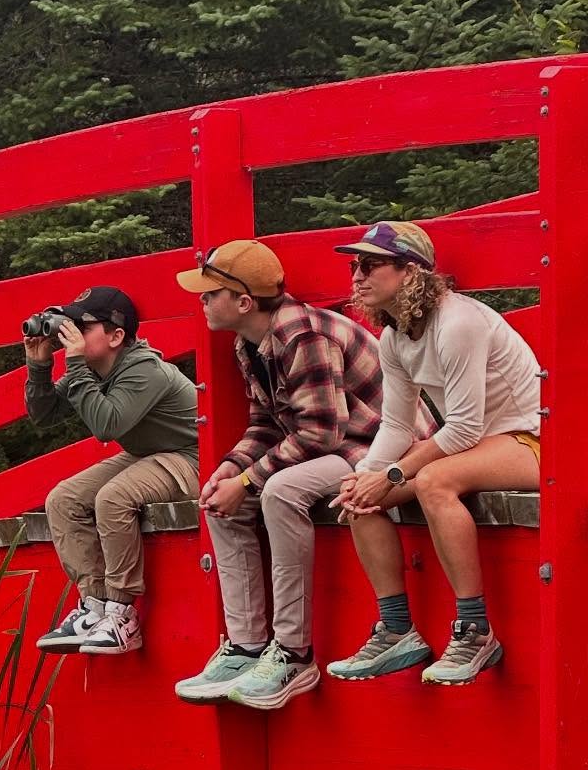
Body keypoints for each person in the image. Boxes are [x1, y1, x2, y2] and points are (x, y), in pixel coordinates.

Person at [172, 239, 417, 711]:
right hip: (334, 446)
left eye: (210, 293)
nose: (202, 301)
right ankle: (245, 647)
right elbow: (267, 424)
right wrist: (232, 467)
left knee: (279, 491)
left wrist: (248, 481)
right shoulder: (250, 343)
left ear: (244, 303)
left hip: (378, 450)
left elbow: (322, 432)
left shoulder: (302, 333)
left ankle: (293, 654)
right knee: (219, 498)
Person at [330, 220, 542, 687]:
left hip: (532, 442)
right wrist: (366, 474)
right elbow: (398, 424)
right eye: (353, 265)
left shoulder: (458, 322)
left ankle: (474, 630)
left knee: (431, 480)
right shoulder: (394, 336)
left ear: (410, 272)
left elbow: (463, 429)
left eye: (370, 264)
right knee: (358, 496)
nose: (357, 276)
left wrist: (394, 472)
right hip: (483, 445)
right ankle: (397, 628)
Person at [26, 286, 199, 656]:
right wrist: (40, 366)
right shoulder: (92, 368)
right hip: (149, 455)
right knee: (63, 500)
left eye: (82, 327)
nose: (70, 334)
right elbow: (44, 416)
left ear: (117, 335)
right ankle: (95, 606)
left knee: (113, 497)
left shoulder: (146, 370)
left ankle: (122, 614)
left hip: (194, 458)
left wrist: (73, 364)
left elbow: (108, 426)